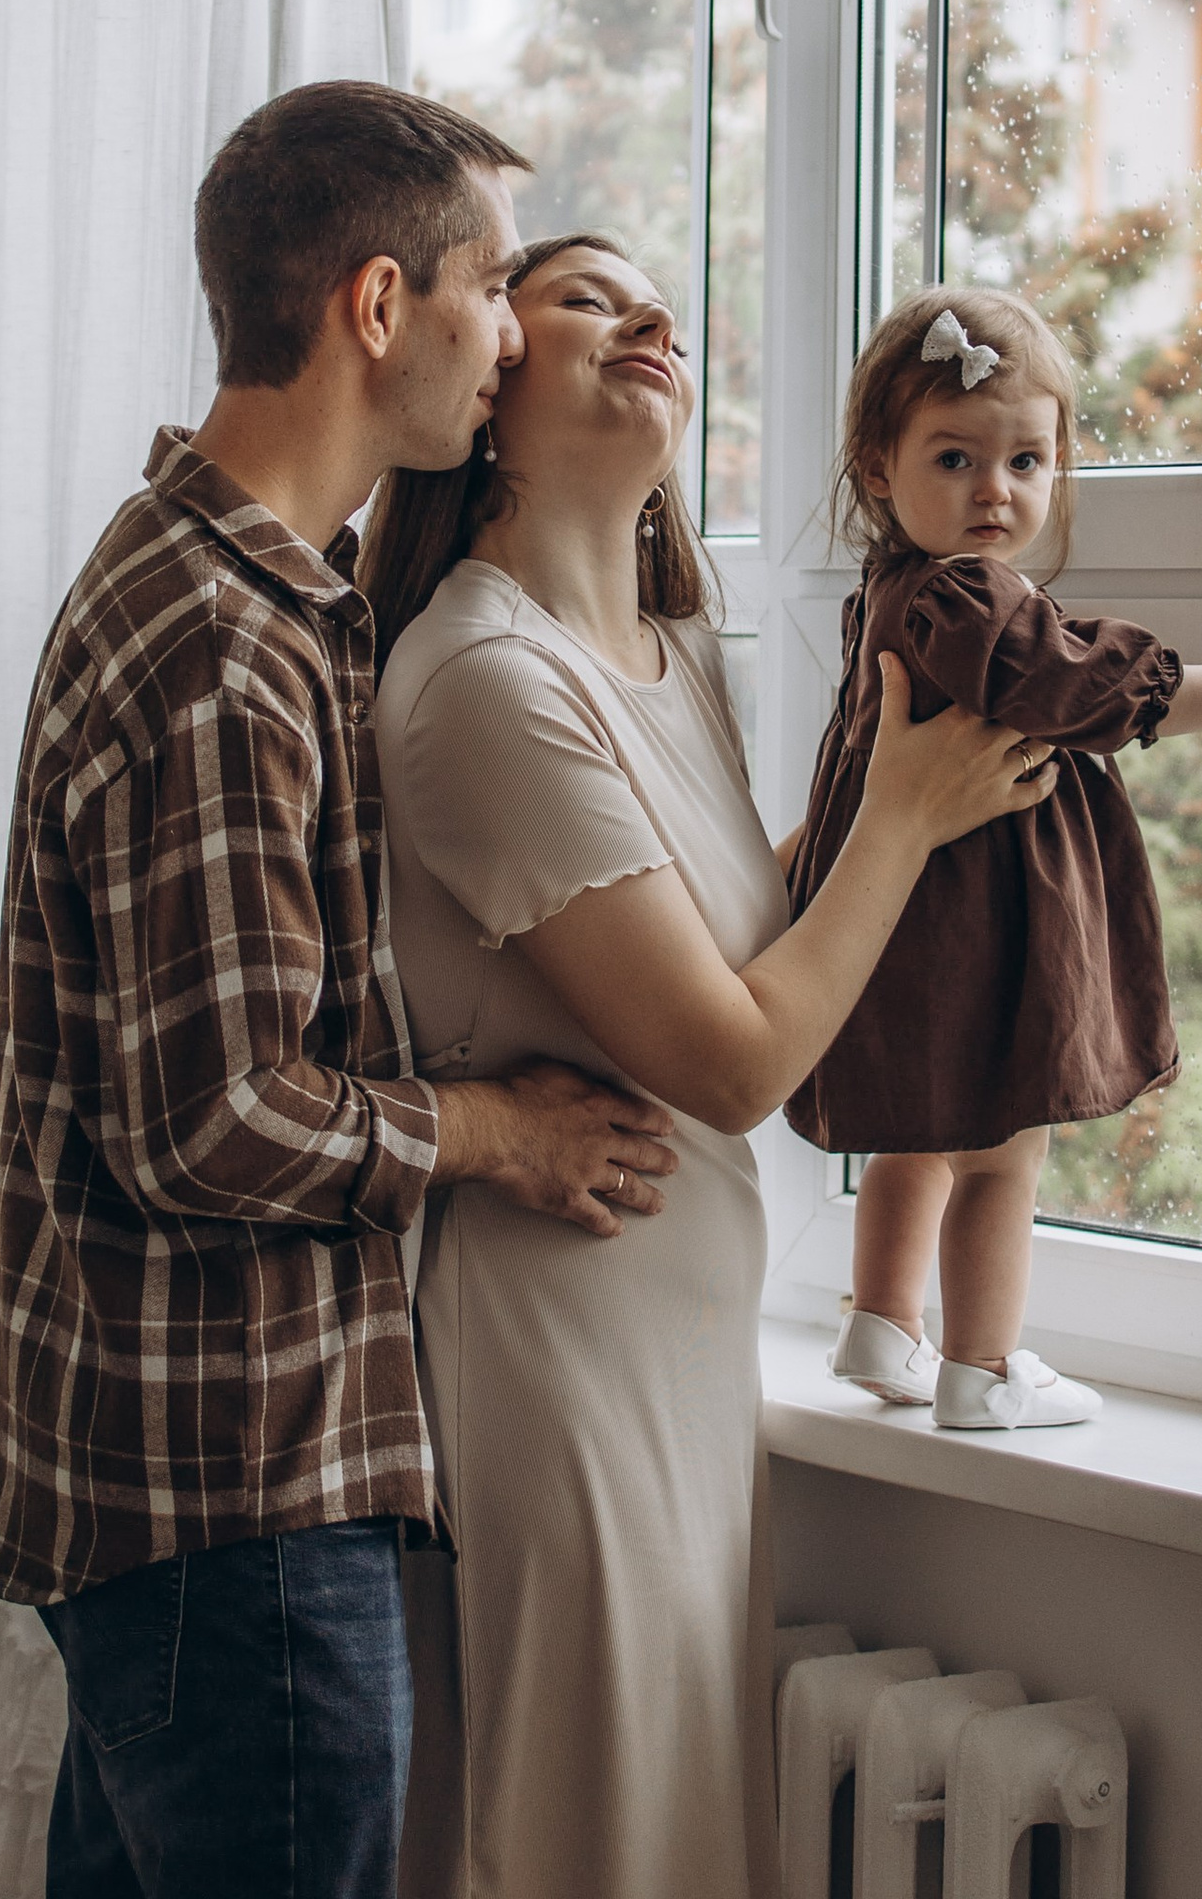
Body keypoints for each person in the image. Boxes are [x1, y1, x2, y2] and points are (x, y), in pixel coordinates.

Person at [0, 84, 686, 1899]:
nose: (510, 338)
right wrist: (500, 1131)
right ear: (378, 305)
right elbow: (214, 1122)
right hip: (229, 1503)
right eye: (492, 288)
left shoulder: (254, 592)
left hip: (179, 1501)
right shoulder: (220, 649)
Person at [362, 234, 1055, 1899]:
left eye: (653, 298)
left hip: (680, 1328)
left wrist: (938, 826)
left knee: (673, 1818)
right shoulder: (482, 678)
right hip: (556, 1335)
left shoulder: (683, 654)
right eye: (586, 299)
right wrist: (904, 818)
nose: (650, 316)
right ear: (490, 387)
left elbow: (751, 933)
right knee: (580, 1828)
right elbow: (736, 1062)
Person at [785, 285, 1202, 1432]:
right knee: (1000, 1154)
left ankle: (881, 1323)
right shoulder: (968, 596)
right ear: (878, 468)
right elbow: (1092, 690)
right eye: (956, 458)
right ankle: (982, 1369)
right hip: (976, 930)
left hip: (907, 919)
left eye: (1025, 460)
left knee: (923, 1135)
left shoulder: (892, 590)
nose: (996, 490)